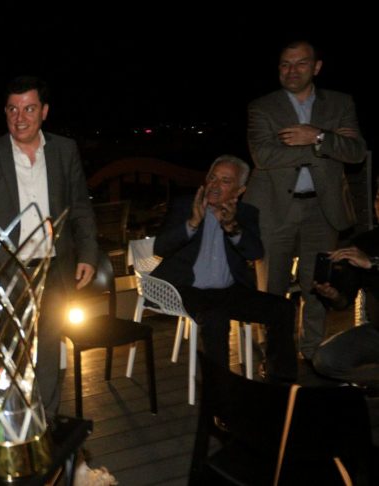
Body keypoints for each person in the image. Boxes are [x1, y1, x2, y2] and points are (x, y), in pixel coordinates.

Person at [0, 75, 99, 420]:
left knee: (48, 352)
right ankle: (7, 425)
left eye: (29, 109)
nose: (19, 118)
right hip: (4, 273)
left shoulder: (64, 151)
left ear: (44, 111)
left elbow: (80, 206)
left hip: (52, 270)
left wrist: (88, 254)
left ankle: (44, 425)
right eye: (12, 109)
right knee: (4, 355)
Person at [244, 40, 367, 361]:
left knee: (318, 283)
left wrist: (317, 135)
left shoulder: (340, 103)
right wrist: (325, 144)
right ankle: (274, 352)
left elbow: (355, 152)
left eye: (300, 63)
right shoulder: (262, 107)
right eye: (285, 64)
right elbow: (264, 155)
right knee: (272, 286)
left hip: (322, 209)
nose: (292, 70)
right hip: (274, 208)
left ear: (316, 67)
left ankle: (312, 351)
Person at [152, 155, 297, 383]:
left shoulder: (245, 214)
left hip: (228, 290)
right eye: (212, 178)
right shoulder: (185, 205)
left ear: (239, 191)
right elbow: (160, 247)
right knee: (215, 317)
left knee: (283, 308)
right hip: (186, 288)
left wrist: (232, 227)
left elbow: (255, 253)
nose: (215, 185)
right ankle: (219, 391)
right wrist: (192, 224)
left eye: (225, 181)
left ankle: (280, 381)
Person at [312, 188, 379, 388]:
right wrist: (333, 295)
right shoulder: (365, 243)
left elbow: (370, 264)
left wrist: (373, 264)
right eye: (378, 199)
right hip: (376, 333)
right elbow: (344, 302)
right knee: (325, 358)